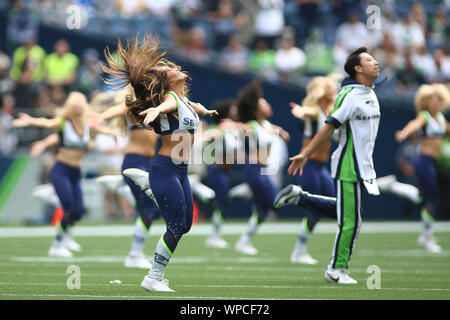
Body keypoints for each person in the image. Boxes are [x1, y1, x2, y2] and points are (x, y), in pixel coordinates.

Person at [102, 34, 217, 292]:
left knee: (185, 225)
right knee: (175, 226)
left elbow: (193, 107)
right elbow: (166, 104)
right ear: (166, 84)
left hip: (180, 171)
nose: (175, 68)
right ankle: (153, 277)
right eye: (169, 70)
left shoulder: (184, 101)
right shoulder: (171, 100)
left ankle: (151, 190)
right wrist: (155, 110)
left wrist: (206, 112)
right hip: (165, 169)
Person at [275, 47, 381, 284]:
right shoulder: (349, 96)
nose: (375, 62)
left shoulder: (367, 93)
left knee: (343, 213)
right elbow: (327, 123)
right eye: (369, 60)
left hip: (357, 166)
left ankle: (299, 198)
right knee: (350, 220)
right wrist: (304, 153)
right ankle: (335, 269)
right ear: (357, 68)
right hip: (345, 165)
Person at [12, 91, 117, 257]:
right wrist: (30, 120)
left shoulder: (86, 124)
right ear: (70, 106)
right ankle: (56, 245)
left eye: (80, 104)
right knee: (68, 208)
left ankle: (65, 234)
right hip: (61, 170)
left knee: (78, 211)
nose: (78, 107)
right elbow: (47, 123)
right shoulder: (64, 122)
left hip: (76, 171)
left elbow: (101, 129)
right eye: (75, 104)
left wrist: (112, 133)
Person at [90, 85, 162, 269]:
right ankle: (134, 255)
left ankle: (122, 189)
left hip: (150, 163)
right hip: (134, 162)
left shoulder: (159, 106)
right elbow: (119, 109)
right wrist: (102, 116)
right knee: (147, 210)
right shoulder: (135, 106)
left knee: (152, 211)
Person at [280, 75, 339, 265]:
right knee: (315, 210)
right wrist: (299, 110)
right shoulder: (314, 111)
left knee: (335, 207)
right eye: (329, 87)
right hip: (309, 166)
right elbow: (308, 112)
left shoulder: (329, 111)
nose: (333, 90)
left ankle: (301, 250)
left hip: (321, 168)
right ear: (321, 91)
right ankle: (299, 251)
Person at [231, 81, 290, 255]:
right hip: (254, 169)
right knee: (275, 201)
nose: (268, 105)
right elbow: (239, 127)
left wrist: (280, 133)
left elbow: (283, 135)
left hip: (262, 170)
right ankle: (246, 189)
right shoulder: (252, 126)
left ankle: (244, 241)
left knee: (263, 210)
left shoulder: (267, 126)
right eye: (264, 103)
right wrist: (232, 125)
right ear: (256, 110)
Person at [395, 83, 450, 253]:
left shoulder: (441, 118)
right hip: (423, 161)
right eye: (430, 100)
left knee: (426, 197)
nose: (434, 103)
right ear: (425, 102)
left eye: (437, 100)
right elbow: (414, 124)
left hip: (432, 162)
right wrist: (404, 133)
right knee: (429, 198)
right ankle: (427, 236)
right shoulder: (424, 116)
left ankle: (394, 186)